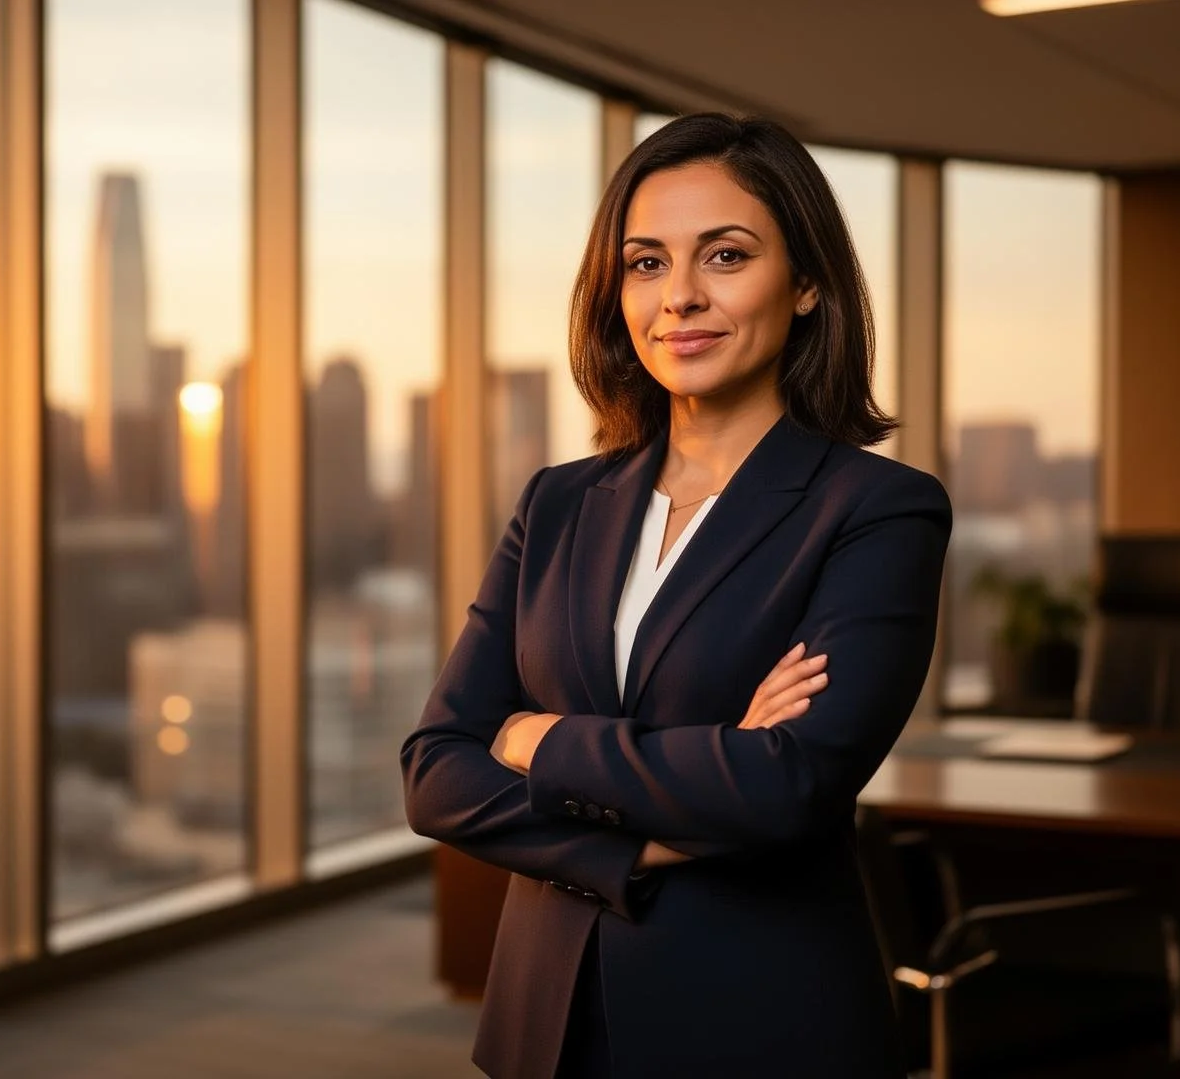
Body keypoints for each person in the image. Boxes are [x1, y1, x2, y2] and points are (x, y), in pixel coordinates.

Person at [400, 112, 952, 1079]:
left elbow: (788, 789)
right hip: (546, 1027)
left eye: (726, 256)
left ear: (809, 281)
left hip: (757, 1025)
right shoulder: (560, 502)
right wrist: (660, 830)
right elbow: (436, 771)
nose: (681, 298)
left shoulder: (877, 511)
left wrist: (539, 741)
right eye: (647, 264)